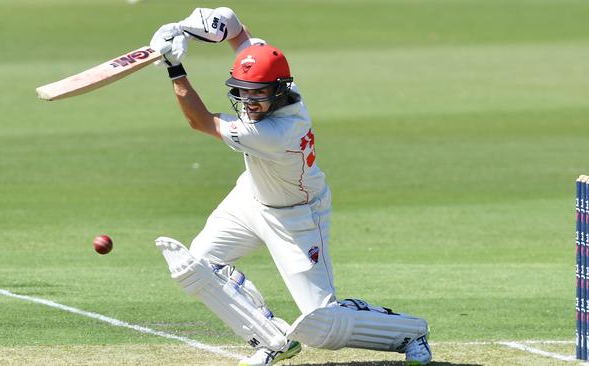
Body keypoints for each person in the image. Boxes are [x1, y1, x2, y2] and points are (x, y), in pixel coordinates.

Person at [149, 7, 432, 366]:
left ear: (279, 92)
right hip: (250, 198)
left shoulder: (275, 133)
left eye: (257, 96)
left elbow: (200, 121)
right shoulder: (275, 76)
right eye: (243, 93)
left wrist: (175, 67)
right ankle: (272, 341)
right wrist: (197, 26)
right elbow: (238, 31)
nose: (249, 103)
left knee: (321, 323)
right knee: (198, 265)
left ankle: (410, 332)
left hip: (296, 218)